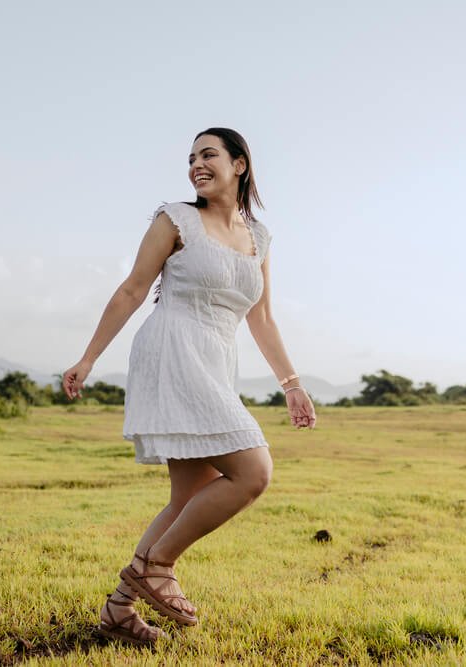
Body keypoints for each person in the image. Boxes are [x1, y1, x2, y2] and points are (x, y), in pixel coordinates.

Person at [62, 128, 316, 645]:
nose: (196, 164)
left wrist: (291, 383)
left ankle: (118, 609)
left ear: (239, 165)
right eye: (192, 157)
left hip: (217, 359)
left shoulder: (259, 237)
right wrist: (88, 359)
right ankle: (158, 566)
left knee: (189, 496)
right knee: (254, 471)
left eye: (208, 154)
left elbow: (262, 316)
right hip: (173, 350)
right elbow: (133, 289)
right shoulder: (175, 219)